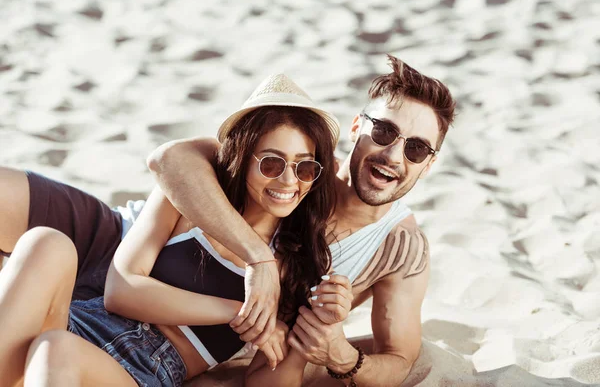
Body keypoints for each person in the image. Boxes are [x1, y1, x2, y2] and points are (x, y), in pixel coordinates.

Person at [0, 74, 351, 386]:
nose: (288, 181)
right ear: (243, 157)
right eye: (272, 163)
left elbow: (267, 379)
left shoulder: (299, 265)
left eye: (305, 168)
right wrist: (238, 313)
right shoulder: (188, 201)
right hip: (81, 321)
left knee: (55, 349)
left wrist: (316, 329)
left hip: (141, 369)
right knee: (45, 243)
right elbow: (120, 291)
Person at [148, 54, 456, 386]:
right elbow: (170, 158)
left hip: (186, 346)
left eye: (417, 150)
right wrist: (259, 258)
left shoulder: (400, 249)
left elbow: (400, 359)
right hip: (130, 251)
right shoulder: (298, 171)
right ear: (356, 128)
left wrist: (342, 356)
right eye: (383, 131)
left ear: (428, 166)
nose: (393, 156)